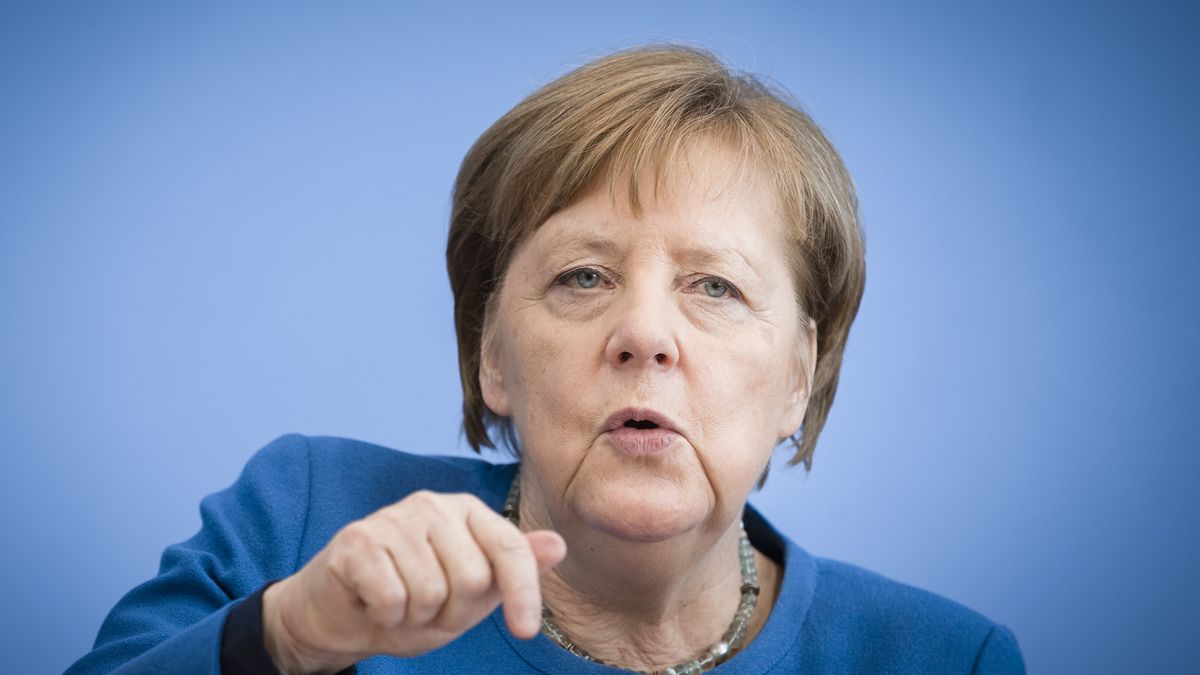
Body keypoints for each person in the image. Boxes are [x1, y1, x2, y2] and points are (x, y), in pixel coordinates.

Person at [66, 45, 1025, 674]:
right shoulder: (303, 515)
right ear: (490, 353)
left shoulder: (945, 656)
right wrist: (285, 633)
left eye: (715, 287)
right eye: (581, 277)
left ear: (799, 376)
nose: (645, 334)